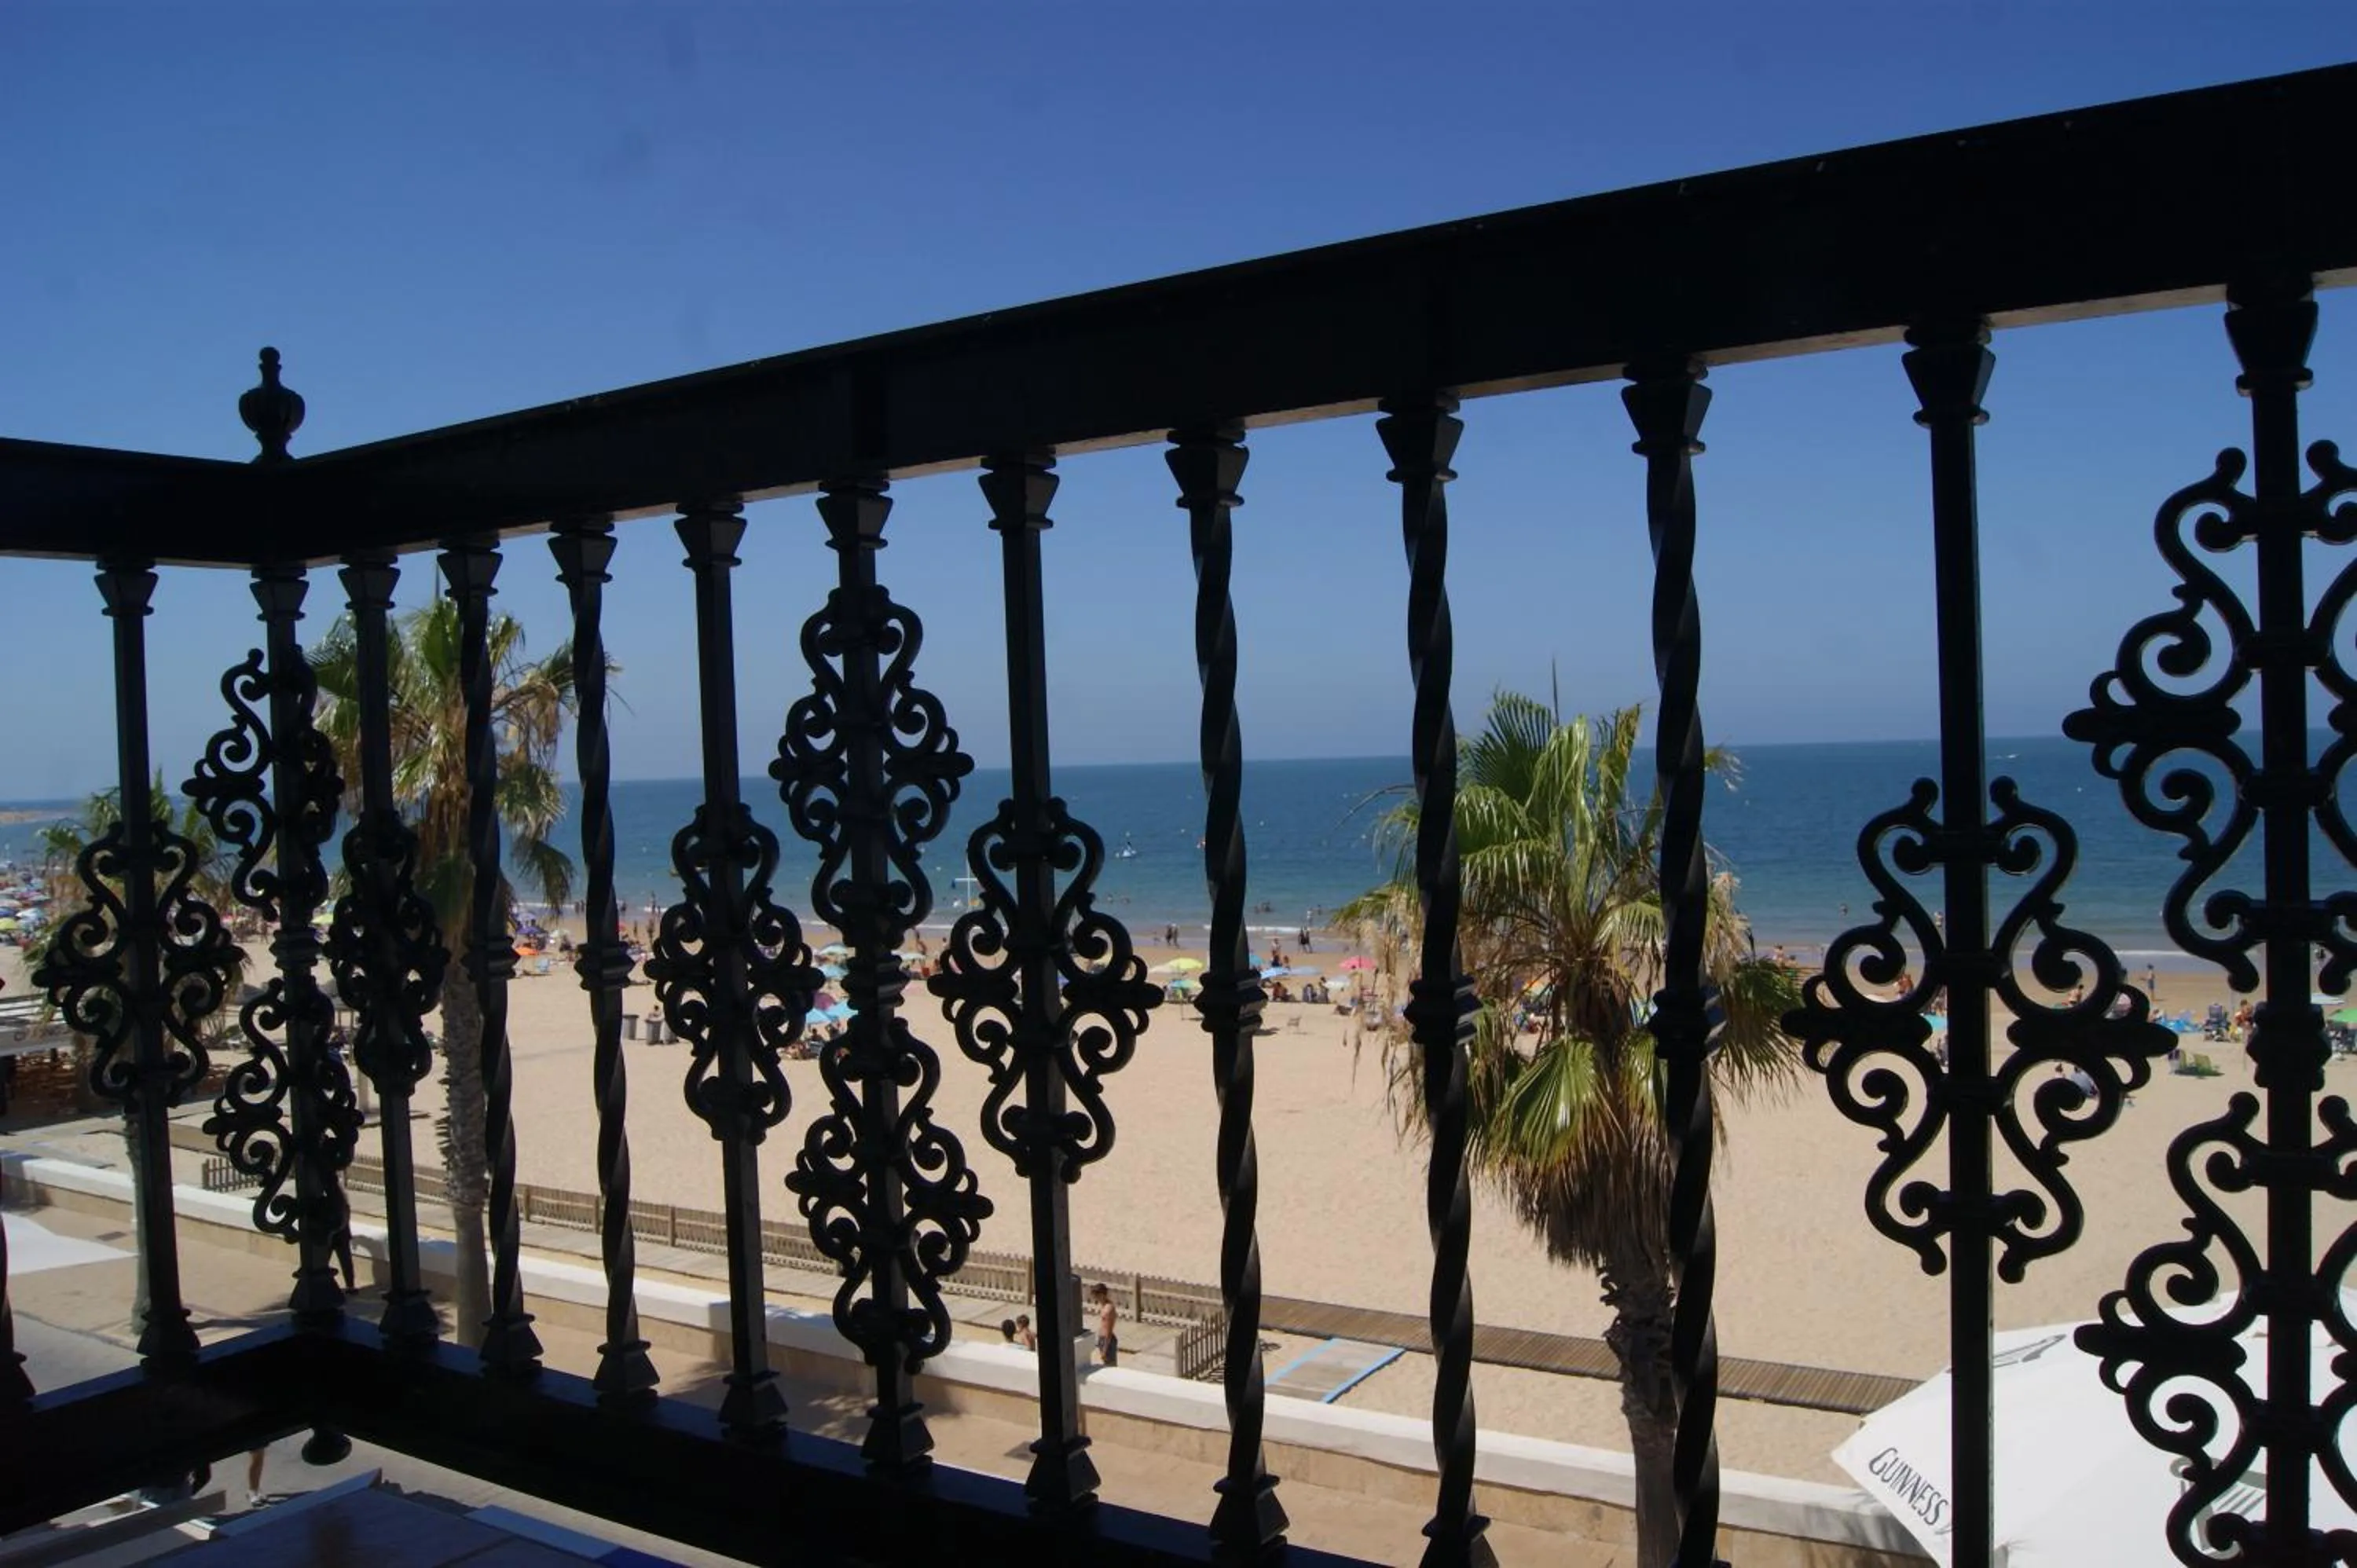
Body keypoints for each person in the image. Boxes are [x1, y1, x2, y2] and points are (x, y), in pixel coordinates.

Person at [1088, 1281, 1119, 1367]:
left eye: (1096, 1296)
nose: (1095, 1298)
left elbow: (1109, 1330)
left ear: (1101, 1295)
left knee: (1110, 1366)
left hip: (1107, 1341)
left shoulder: (1108, 1309)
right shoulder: (1104, 1306)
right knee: (1106, 1364)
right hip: (1103, 1339)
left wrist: (1105, 1349)